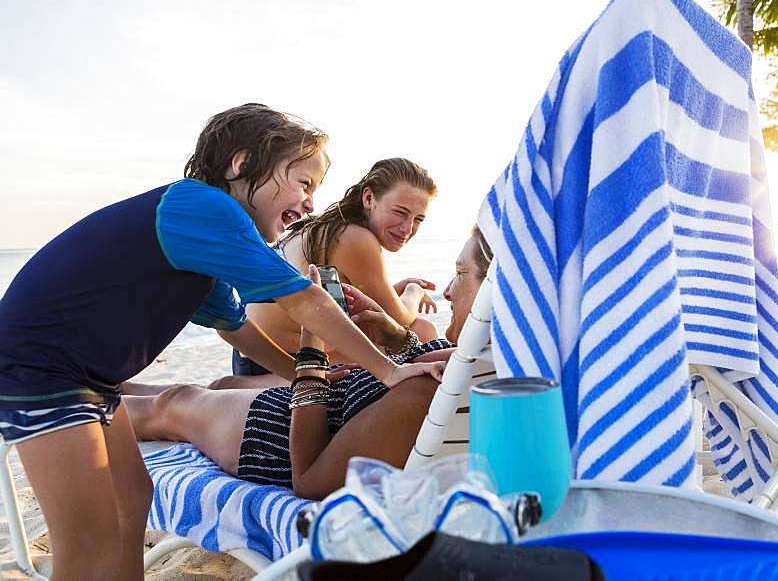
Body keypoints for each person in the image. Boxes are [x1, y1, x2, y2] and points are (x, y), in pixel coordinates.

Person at [0, 103, 444, 580]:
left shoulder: (201, 243)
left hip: (87, 378)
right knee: (89, 538)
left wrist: (299, 372)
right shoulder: (203, 207)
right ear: (240, 164)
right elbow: (305, 299)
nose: (311, 202)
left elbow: (237, 329)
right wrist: (391, 370)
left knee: (133, 501)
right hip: (39, 370)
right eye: (303, 183)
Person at [126, 226, 493, 499]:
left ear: (495, 292)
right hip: (331, 401)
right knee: (220, 385)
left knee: (173, 404)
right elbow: (425, 362)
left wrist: (313, 342)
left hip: (279, 438)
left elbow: (310, 480)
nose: (446, 290)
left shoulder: (424, 394)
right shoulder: (490, 362)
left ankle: (78, 409)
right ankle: (107, 385)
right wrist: (398, 336)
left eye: (461, 274)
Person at [223, 158, 440, 386]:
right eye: (400, 212)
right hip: (282, 362)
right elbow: (399, 318)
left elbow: (341, 302)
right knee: (422, 331)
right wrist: (413, 291)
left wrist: (394, 292)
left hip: (251, 357)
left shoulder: (325, 227)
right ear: (368, 198)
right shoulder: (357, 238)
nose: (408, 228)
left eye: (418, 219)